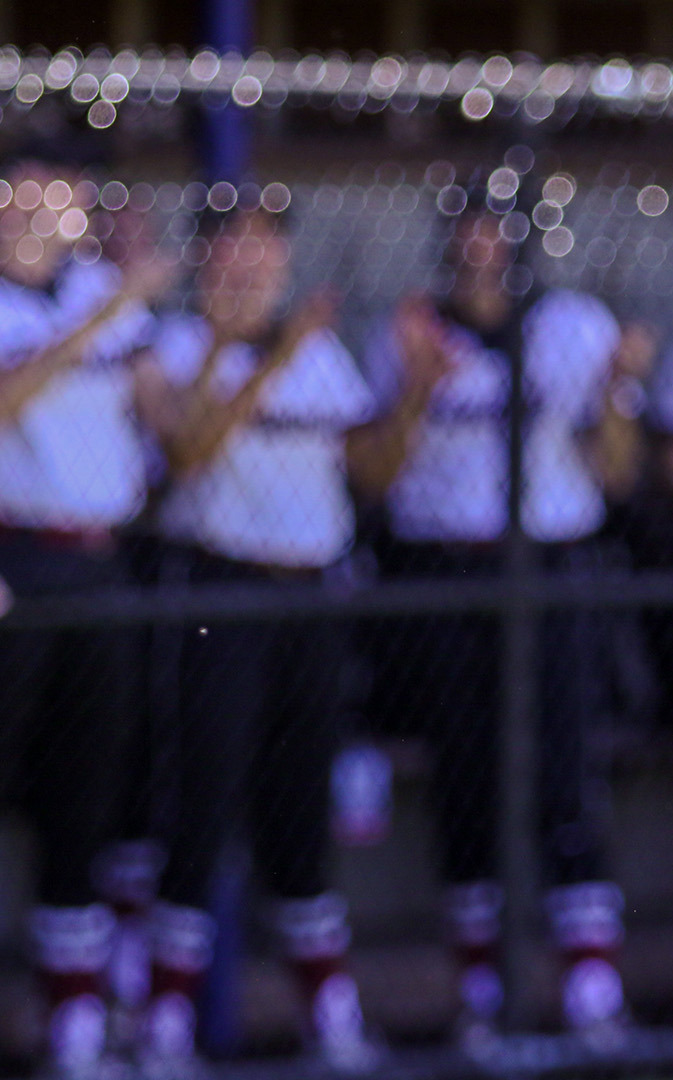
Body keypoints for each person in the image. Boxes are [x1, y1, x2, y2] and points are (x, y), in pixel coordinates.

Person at [349, 192, 636, 1049]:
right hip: (446, 570)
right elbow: (375, 481)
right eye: (469, 233)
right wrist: (417, 387)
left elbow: (618, 475)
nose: (482, 249)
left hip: (552, 564)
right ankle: (483, 993)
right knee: (467, 782)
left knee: (566, 775)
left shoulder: (573, 325)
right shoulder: (410, 328)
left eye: (498, 233)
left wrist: (617, 389)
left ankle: (591, 992)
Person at [130, 202, 380, 1072]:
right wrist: (258, 353)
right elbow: (189, 452)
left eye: (265, 251)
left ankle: (331, 1017)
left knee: (301, 804)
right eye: (233, 248)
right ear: (205, 258)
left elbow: (366, 470)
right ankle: (165, 1022)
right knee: (203, 796)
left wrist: (420, 387)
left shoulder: (320, 350)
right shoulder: (174, 345)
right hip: (218, 589)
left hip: (310, 593)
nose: (250, 266)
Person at [0, 143, 167, 1078]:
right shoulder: (89, 303)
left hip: (102, 562)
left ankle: (74, 1021)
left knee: (87, 787)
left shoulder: (108, 291)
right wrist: (102, 316)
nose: (35, 214)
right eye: (18, 197)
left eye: (54, 200)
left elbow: (163, 418)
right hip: (13, 558)